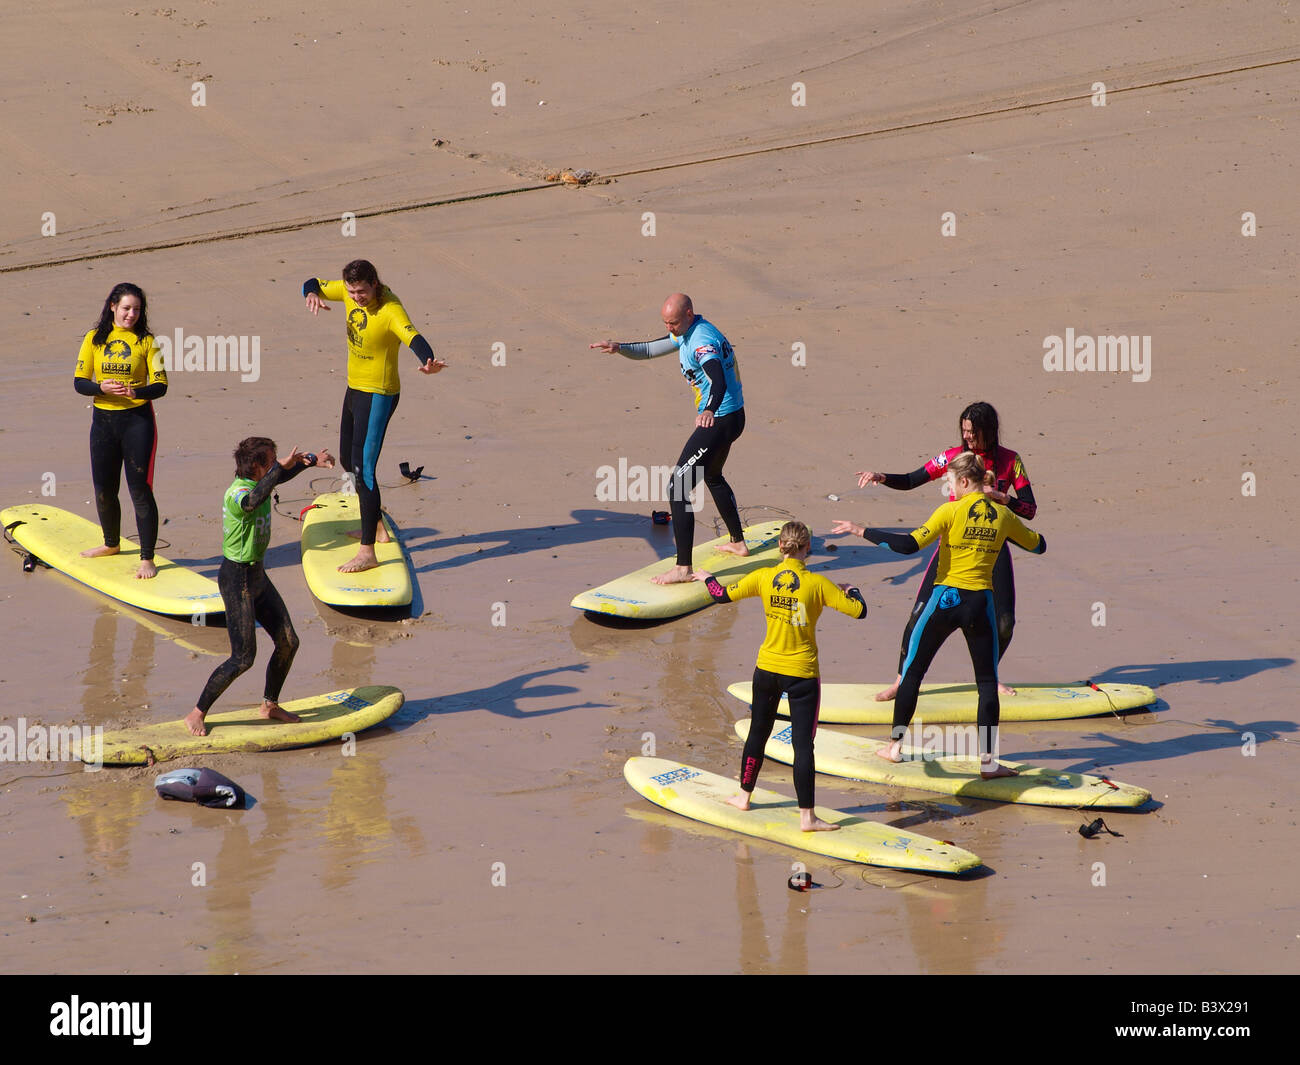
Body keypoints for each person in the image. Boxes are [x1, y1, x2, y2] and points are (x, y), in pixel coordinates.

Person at [831, 452, 1046, 778]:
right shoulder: (1003, 516)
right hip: (980, 604)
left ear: (964, 481)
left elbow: (908, 545)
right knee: (987, 683)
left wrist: (862, 531)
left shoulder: (950, 511)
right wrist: (1005, 517)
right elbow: (1038, 546)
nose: (950, 488)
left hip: (944, 600)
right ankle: (988, 763)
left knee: (913, 673)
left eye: (950, 482)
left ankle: (894, 747)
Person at [853, 401, 1036, 699]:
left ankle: (990, 676)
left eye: (973, 432)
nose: (967, 437)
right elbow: (912, 479)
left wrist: (1002, 497)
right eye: (964, 431)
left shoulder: (1010, 461)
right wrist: (883, 477)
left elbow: (1029, 509)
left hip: (991, 551)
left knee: (1004, 624)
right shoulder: (953, 458)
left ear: (989, 430)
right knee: (918, 615)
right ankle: (900, 681)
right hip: (952, 547)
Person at [695, 520, 867, 830]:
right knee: (803, 746)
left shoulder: (763, 577)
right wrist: (852, 590)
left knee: (757, 734)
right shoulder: (818, 584)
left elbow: (720, 595)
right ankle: (807, 818)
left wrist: (708, 578)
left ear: (779, 546)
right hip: (802, 675)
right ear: (807, 548)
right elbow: (859, 611)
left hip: (766, 670)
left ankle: (744, 797)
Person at [184, 437, 335, 737]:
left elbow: (275, 479)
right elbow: (253, 501)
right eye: (271, 460)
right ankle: (196, 713)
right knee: (243, 658)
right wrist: (280, 469)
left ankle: (269, 705)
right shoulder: (238, 493)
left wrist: (309, 461)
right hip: (236, 579)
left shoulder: (261, 481)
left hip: (257, 577)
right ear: (256, 465)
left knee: (288, 642)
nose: (276, 464)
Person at [591, 293, 747, 584]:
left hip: (719, 419)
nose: (669, 328)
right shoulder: (687, 331)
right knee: (712, 476)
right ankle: (738, 543)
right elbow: (652, 348)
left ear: (688, 314)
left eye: (673, 323)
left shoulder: (701, 342)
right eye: (665, 323)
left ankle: (683, 568)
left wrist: (709, 410)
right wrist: (619, 347)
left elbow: (718, 380)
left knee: (678, 487)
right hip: (733, 416)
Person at [302, 259, 446, 573]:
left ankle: (367, 552)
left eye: (362, 292)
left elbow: (414, 338)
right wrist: (310, 294)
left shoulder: (390, 309)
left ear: (374, 285)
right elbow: (311, 282)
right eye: (352, 292)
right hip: (355, 387)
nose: (356, 298)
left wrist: (429, 361)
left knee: (364, 470)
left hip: (379, 394)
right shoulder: (347, 291)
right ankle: (377, 528)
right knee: (346, 459)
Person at [74, 283, 167, 580]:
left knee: (140, 490)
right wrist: (100, 387)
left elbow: (161, 385)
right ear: (113, 306)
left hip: (137, 422)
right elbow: (79, 382)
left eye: (137, 309)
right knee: (104, 488)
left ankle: (147, 558)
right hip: (103, 422)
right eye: (126, 308)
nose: (131, 314)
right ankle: (111, 543)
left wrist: (136, 392)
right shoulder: (94, 338)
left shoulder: (147, 341)